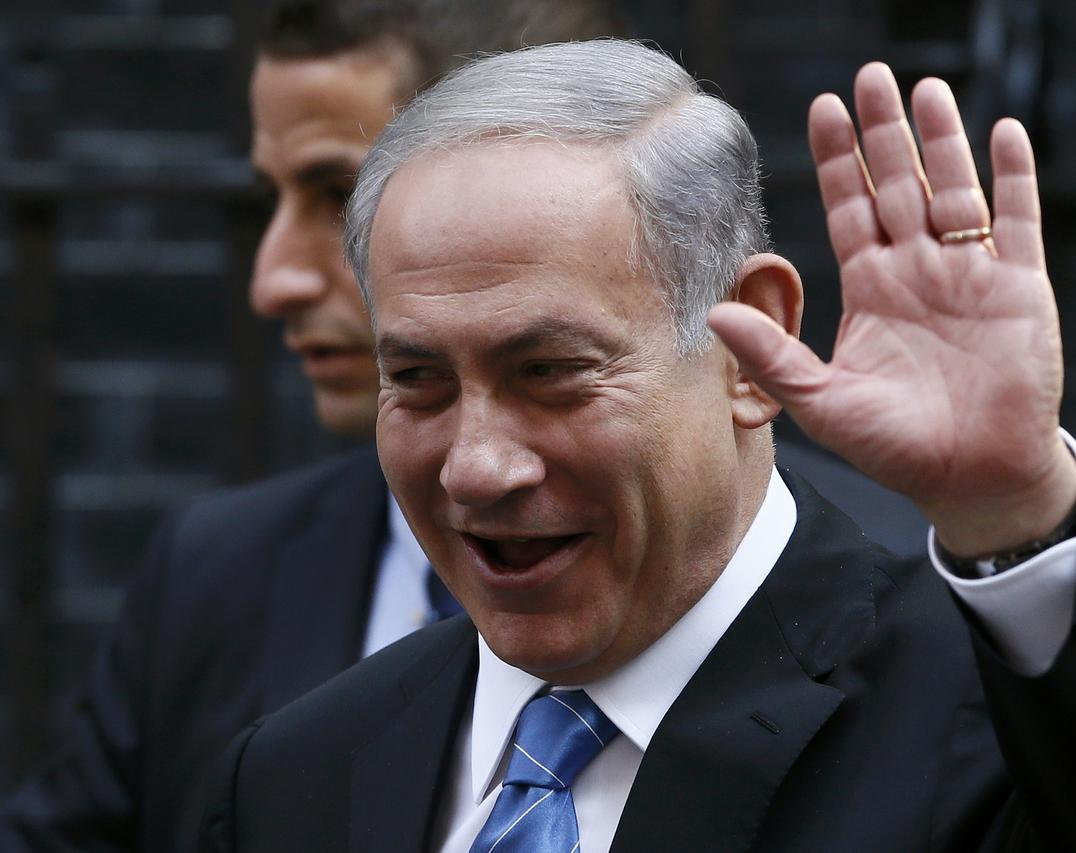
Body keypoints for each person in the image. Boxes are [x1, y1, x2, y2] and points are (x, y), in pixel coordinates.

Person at [200, 40, 1076, 852]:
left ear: (746, 349)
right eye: (418, 381)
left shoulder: (993, 732)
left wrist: (1015, 503)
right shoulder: (295, 774)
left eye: (550, 374)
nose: (478, 464)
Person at [0, 3, 621, 852]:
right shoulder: (211, 576)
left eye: (338, 196)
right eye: (271, 198)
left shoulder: (836, 595)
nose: (273, 280)